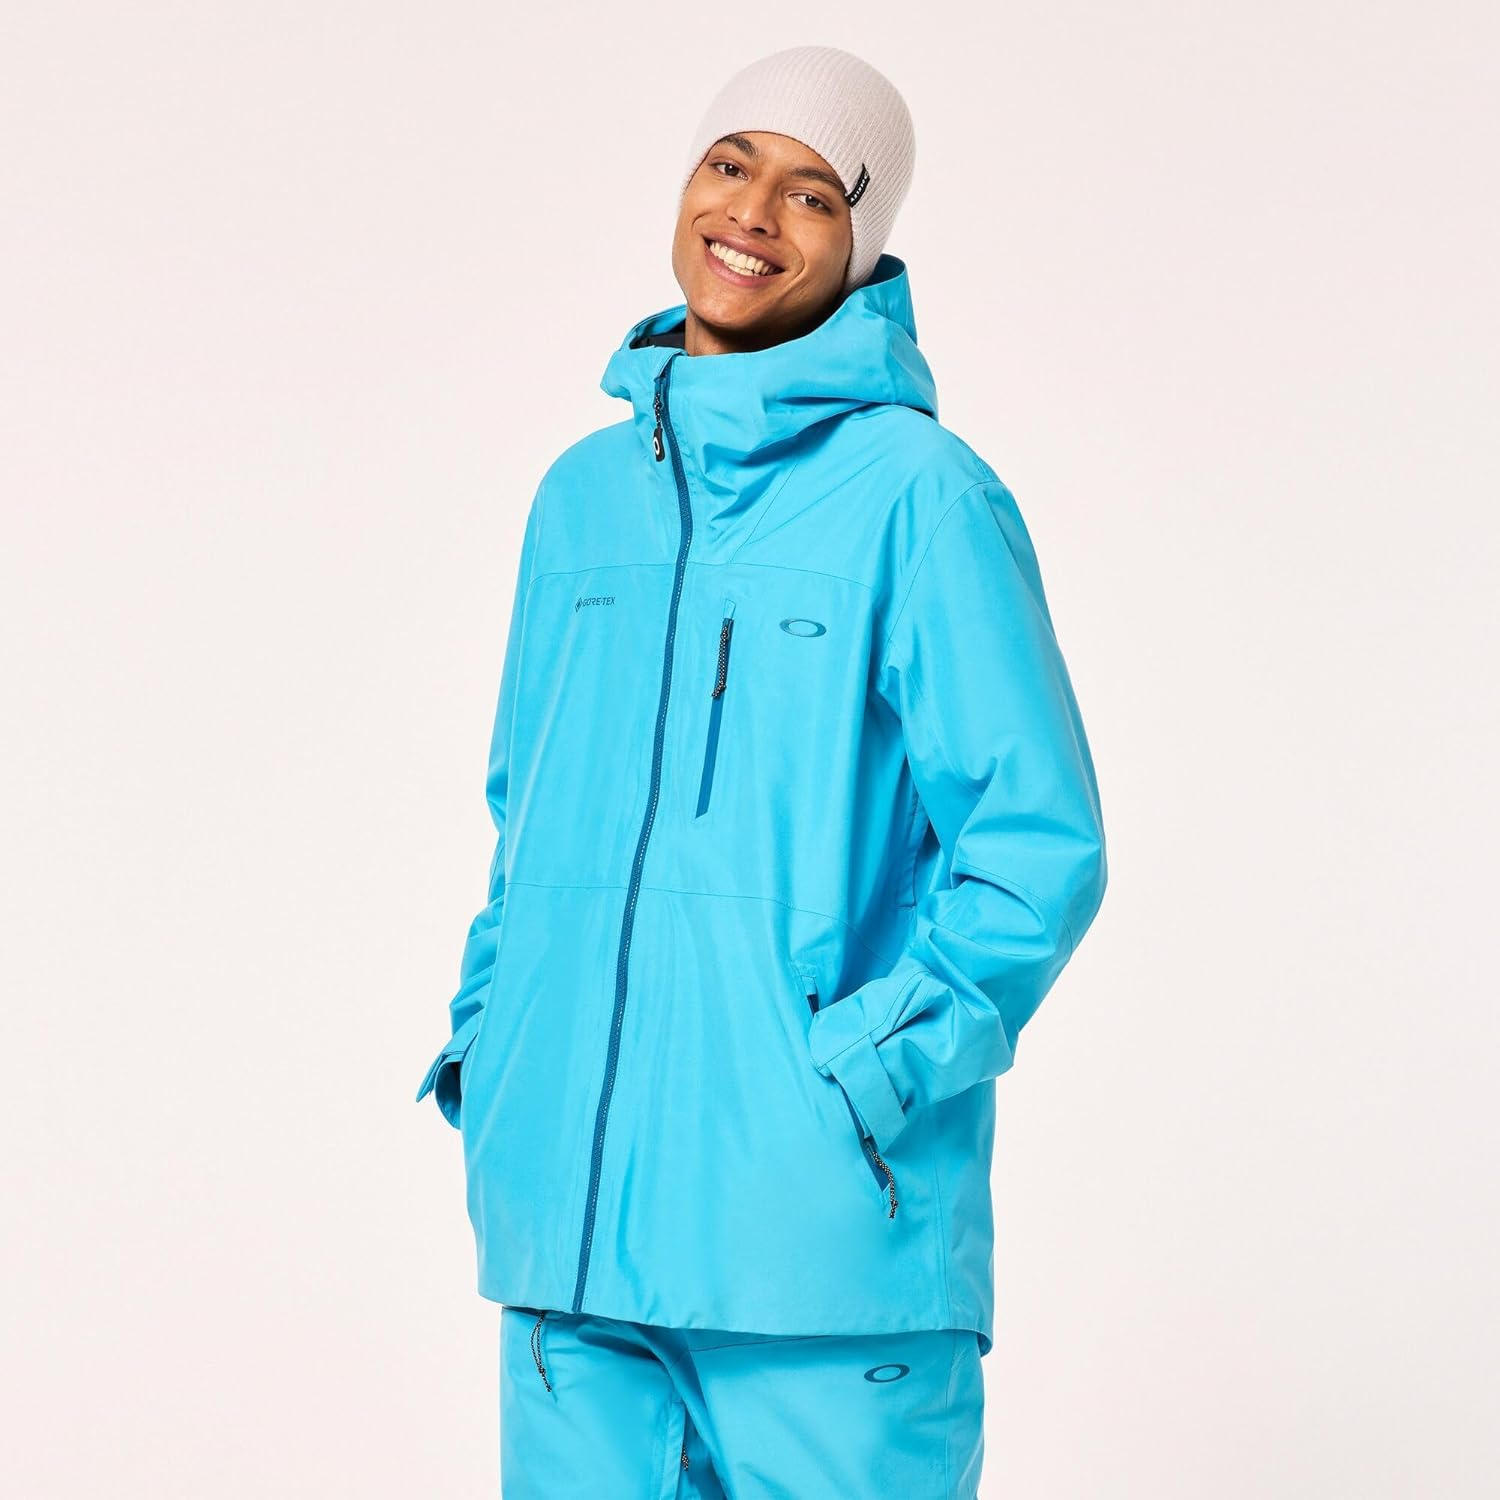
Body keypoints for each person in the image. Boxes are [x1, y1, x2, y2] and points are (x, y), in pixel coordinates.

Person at [415, 43, 1108, 1498]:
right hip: (569, 1260)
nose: (752, 212)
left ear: (862, 247)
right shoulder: (579, 499)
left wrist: (862, 1076)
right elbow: (521, 818)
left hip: (819, 1268)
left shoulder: (923, 498)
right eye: (730, 163)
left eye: (812, 192)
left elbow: (1036, 844)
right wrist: (500, 1039)